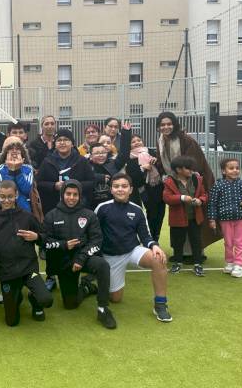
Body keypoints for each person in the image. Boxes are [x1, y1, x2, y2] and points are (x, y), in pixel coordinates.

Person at [95, 174, 172, 323]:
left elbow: (145, 236)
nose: (120, 189)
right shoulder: (102, 208)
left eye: (124, 186)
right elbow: (93, 233)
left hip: (132, 251)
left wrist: (154, 246)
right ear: (111, 189)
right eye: (116, 186)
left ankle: (160, 304)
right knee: (116, 299)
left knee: (158, 259)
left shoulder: (137, 210)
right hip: (110, 256)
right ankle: (96, 286)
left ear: (130, 190)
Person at [43, 180, 116, 329]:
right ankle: (86, 287)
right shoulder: (51, 215)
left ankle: (103, 308)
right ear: (62, 194)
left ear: (80, 196)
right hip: (64, 262)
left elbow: (96, 240)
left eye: (75, 194)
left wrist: (81, 258)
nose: (71, 197)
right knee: (70, 305)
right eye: (68, 194)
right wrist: (64, 245)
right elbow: (45, 242)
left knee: (102, 265)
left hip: (84, 258)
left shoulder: (89, 214)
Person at [0, 181, 53, 326]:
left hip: (28, 269)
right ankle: (15, 297)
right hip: (7, 272)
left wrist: (37, 237)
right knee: (11, 322)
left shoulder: (27, 217)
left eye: (10, 196)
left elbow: (46, 236)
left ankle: (35, 301)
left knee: (46, 299)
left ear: (16, 195)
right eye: (2, 197)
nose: (6, 200)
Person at [37, 128, 95, 291]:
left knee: (78, 241)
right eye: (59, 140)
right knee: (54, 242)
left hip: (77, 209)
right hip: (54, 208)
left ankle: (79, 268)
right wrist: (54, 186)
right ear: (55, 143)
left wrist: (73, 185)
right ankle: (50, 276)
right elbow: (39, 183)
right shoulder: (47, 161)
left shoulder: (81, 161)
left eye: (66, 140)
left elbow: (91, 182)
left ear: (72, 143)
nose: (62, 143)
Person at [156, 112, 217, 248]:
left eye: (169, 124)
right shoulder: (161, 140)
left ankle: (195, 252)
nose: (166, 127)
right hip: (174, 182)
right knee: (178, 215)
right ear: (158, 127)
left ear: (174, 124)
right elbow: (161, 162)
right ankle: (180, 252)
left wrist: (180, 176)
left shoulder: (185, 140)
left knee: (194, 216)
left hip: (192, 181)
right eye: (162, 125)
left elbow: (193, 164)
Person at [208, 158, 242, 278]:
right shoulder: (218, 185)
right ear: (224, 171)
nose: (235, 170)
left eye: (237, 168)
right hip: (224, 219)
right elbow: (212, 203)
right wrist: (212, 219)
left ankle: (238, 265)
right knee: (228, 242)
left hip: (241, 218)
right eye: (231, 168)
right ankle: (229, 262)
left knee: (239, 242)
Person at [162, 156, 208, 276]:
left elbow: (204, 194)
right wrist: (182, 198)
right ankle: (177, 263)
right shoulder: (169, 181)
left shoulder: (197, 179)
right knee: (178, 241)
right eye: (188, 168)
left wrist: (201, 201)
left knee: (196, 241)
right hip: (178, 218)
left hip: (195, 217)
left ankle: (198, 264)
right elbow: (167, 198)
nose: (191, 171)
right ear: (178, 170)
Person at [0, 137, 42, 220]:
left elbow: (26, 189)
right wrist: (11, 170)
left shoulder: (28, 168)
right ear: (5, 157)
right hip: (4, 208)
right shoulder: (0, 169)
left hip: (24, 209)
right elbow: (3, 188)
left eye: (18, 153)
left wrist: (18, 171)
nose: (14, 154)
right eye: (11, 154)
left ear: (23, 158)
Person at [125, 133, 164, 239]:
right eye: (133, 142)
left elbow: (162, 168)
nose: (137, 143)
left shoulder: (151, 152)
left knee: (159, 213)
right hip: (141, 190)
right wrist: (142, 168)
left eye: (139, 140)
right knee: (149, 214)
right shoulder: (128, 158)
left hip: (157, 187)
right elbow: (132, 177)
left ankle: (156, 237)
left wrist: (156, 162)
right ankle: (148, 237)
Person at [89, 121, 131, 209]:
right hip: (91, 205)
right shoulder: (85, 165)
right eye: (97, 153)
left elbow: (124, 154)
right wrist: (98, 177)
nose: (100, 155)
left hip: (112, 206)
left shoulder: (113, 163)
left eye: (103, 153)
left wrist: (126, 133)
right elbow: (80, 178)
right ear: (91, 156)